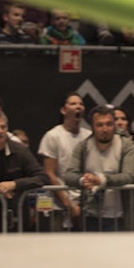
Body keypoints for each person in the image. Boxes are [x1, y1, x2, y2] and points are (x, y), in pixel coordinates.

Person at [60, 104, 134, 231]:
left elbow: (128, 176)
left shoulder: (126, 145)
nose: (105, 129)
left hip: (119, 215)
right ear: (92, 126)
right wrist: (82, 180)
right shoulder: (83, 146)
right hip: (90, 214)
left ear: (114, 124)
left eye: (109, 124)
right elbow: (69, 175)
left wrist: (101, 180)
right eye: (100, 125)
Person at [0, 108, 46, 233]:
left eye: (3, 127)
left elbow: (41, 177)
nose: (0, 131)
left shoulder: (20, 150)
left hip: (17, 213)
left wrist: (14, 184)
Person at [37, 92, 92, 229]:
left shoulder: (89, 136)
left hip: (85, 203)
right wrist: (68, 204)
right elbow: (49, 173)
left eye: (81, 104)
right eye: (73, 104)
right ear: (63, 110)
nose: (78, 107)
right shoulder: (53, 136)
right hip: (60, 206)